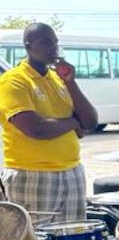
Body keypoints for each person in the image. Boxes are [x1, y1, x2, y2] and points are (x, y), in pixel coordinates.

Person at [0, 22, 98, 223]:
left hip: (71, 171)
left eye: (55, 42)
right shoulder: (15, 81)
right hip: (33, 174)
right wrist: (72, 123)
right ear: (28, 45)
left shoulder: (58, 79)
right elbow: (35, 128)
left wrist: (71, 82)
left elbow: (90, 121)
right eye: (46, 42)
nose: (53, 48)